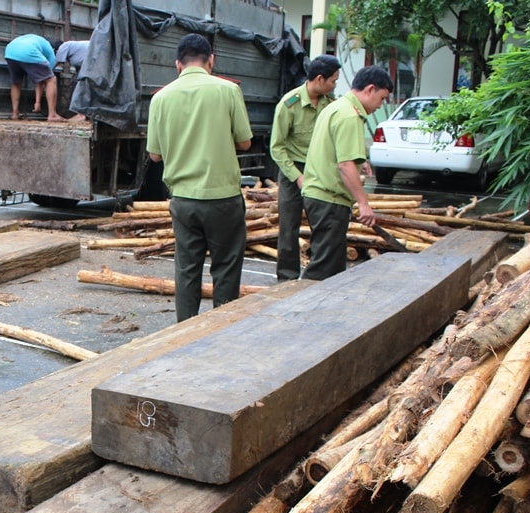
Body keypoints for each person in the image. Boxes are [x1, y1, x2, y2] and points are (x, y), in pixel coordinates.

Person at [146, 34, 253, 322]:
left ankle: (185, 332)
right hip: (223, 198)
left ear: (177, 64)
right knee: (226, 268)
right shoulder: (228, 91)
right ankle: (221, 332)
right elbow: (245, 142)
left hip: (183, 200)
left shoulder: (160, 98)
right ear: (211, 60)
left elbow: (154, 155)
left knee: (187, 270)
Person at [301, 65, 394, 281]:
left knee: (329, 264)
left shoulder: (336, 107)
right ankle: (300, 311)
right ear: (370, 89)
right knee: (324, 270)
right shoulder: (350, 116)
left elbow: (339, 153)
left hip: (318, 194)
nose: (380, 106)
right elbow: (345, 165)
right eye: (381, 98)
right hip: (329, 199)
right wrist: (363, 203)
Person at [269, 55, 341, 281]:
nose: (334, 85)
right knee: (288, 228)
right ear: (320, 79)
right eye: (333, 81)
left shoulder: (331, 105)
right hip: (294, 172)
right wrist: (297, 177)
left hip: (321, 172)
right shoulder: (289, 104)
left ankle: (317, 277)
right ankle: (286, 279)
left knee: (322, 225)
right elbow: (277, 148)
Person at [4, 33, 64, 122]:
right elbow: (42, 81)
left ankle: (15, 113)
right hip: (28, 50)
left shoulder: (37, 40)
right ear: (56, 50)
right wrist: (38, 102)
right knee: (51, 80)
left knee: (16, 83)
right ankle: (52, 115)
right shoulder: (51, 52)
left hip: (10, 51)